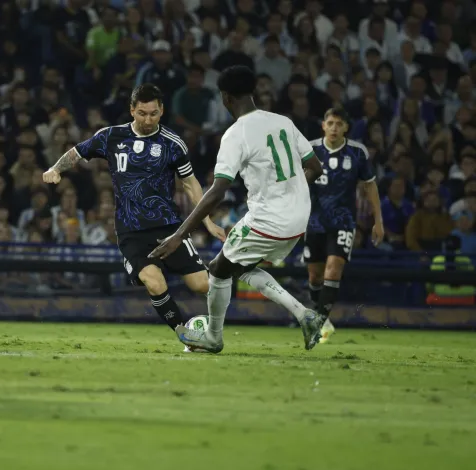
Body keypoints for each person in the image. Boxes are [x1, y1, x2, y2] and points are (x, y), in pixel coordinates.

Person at [150, 66, 326, 352]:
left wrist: (179, 235)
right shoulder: (283, 121)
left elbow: (217, 191)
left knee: (217, 270)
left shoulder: (236, 134)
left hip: (269, 219)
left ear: (225, 97)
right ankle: (304, 315)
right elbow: (315, 167)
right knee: (238, 266)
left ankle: (213, 337)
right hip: (299, 217)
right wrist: (290, 194)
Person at [42, 84, 226, 346]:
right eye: (142, 113)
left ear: (162, 111)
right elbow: (77, 152)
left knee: (202, 285)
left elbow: (190, 183)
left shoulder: (172, 143)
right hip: (131, 231)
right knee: (154, 282)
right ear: (131, 110)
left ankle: (216, 323)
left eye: (153, 114)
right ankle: (184, 332)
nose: (148, 120)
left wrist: (206, 221)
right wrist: (56, 169)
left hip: (169, 228)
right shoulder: (111, 136)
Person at [306, 108, 384, 343]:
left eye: (339, 124)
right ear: (323, 125)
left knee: (334, 268)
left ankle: (319, 323)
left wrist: (378, 221)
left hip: (343, 221)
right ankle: (322, 318)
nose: (334, 128)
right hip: (314, 221)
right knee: (315, 276)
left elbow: (370, 185)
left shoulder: (357, 152)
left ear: (346, 128)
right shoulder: (309, 149)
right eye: (330, 123)